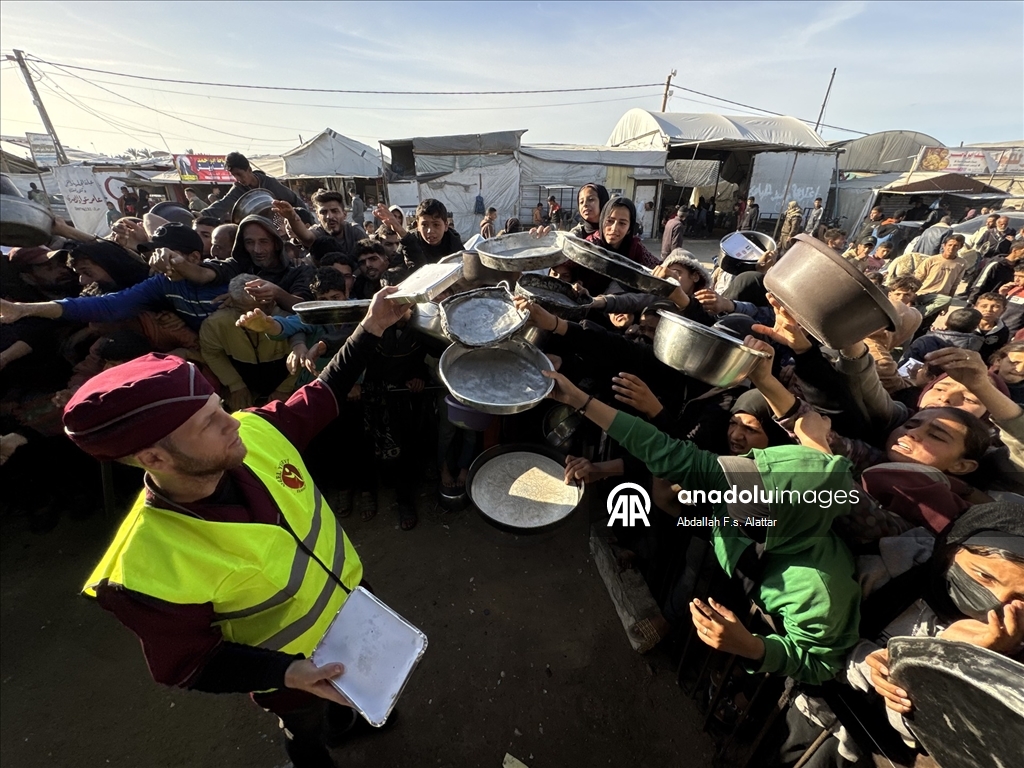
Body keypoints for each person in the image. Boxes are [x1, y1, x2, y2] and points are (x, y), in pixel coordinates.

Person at [64, 286, 409, 768]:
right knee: (305, 732)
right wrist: (288, 674)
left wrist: (371, 328)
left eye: (218, 407)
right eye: (208, 423)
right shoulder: (142, 566)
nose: (232, 423)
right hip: (293, 676)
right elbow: (191, 663)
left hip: (357, 611)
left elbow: (322, 394)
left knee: (373, 702)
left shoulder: (253, 432)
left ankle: (361, 718)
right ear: (155, 458)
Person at [1, 224, 226, 335]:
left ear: (195, 257)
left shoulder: (224, 272)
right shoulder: (161, 284)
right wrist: (25, 309)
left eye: (165, 254)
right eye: (153, 255)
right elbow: (107, 305)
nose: (156, 261)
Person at [161, 215, 314, 311]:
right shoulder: (238, 264)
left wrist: (276, 293)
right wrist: (175, 261)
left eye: (263, 241)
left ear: (276, 243)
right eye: (249, 242)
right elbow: (203, 274)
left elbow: (303, 307)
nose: (257, 249)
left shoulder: (298, 270)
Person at [200, 273, 297, 409]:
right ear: (231, 304)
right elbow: (211, 353)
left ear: (270, 304)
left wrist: (285, 389)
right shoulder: (215, 325)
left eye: (255, 311)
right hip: (246, 384)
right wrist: (235, 385)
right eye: (241, 310)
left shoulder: (287, 322)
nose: (248, 317)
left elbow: (301, 358)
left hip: (286, 382)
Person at [202, 152, 306, 222]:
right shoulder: (238, 189)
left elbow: (294, 199)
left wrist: (306, 218)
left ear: (249, 170)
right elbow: (223, 204)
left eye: (239, 174)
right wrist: (202, 215)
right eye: (234, 176)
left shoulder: (270, 183)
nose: (238, 179)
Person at [276, 191, 365, 263]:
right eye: (323, 212)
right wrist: (291, 218)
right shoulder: (318, 232)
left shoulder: (355, 232)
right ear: (318, 216)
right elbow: (306, 237)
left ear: (344, 214)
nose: (329, 216)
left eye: (334, 211)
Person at [371, 198, 464, 267]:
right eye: (424, 225)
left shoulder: (453, 241)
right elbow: (396, 269)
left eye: (436, 225)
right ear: (417, 226)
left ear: (446, 226)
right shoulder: (410, 241)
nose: (430, 231)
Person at [586, 198, 659, 269]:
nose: (614, 228)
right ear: (602, 221)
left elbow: (658, 267)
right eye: (610, 221)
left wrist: (667, 272)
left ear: (629, 229)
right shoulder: (590, 245)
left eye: (622, 223)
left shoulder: (635, 247)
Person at [914, 234, 968, 320]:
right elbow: (917, 279)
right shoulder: (931, 260)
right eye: (950, 245)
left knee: (927, 323)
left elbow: (955, 285)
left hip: (941, 300)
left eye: (956, 246)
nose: (952, 248)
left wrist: (947, 305)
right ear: (944, 245)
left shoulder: (961, 263)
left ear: (960, 247)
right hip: (924, 295)